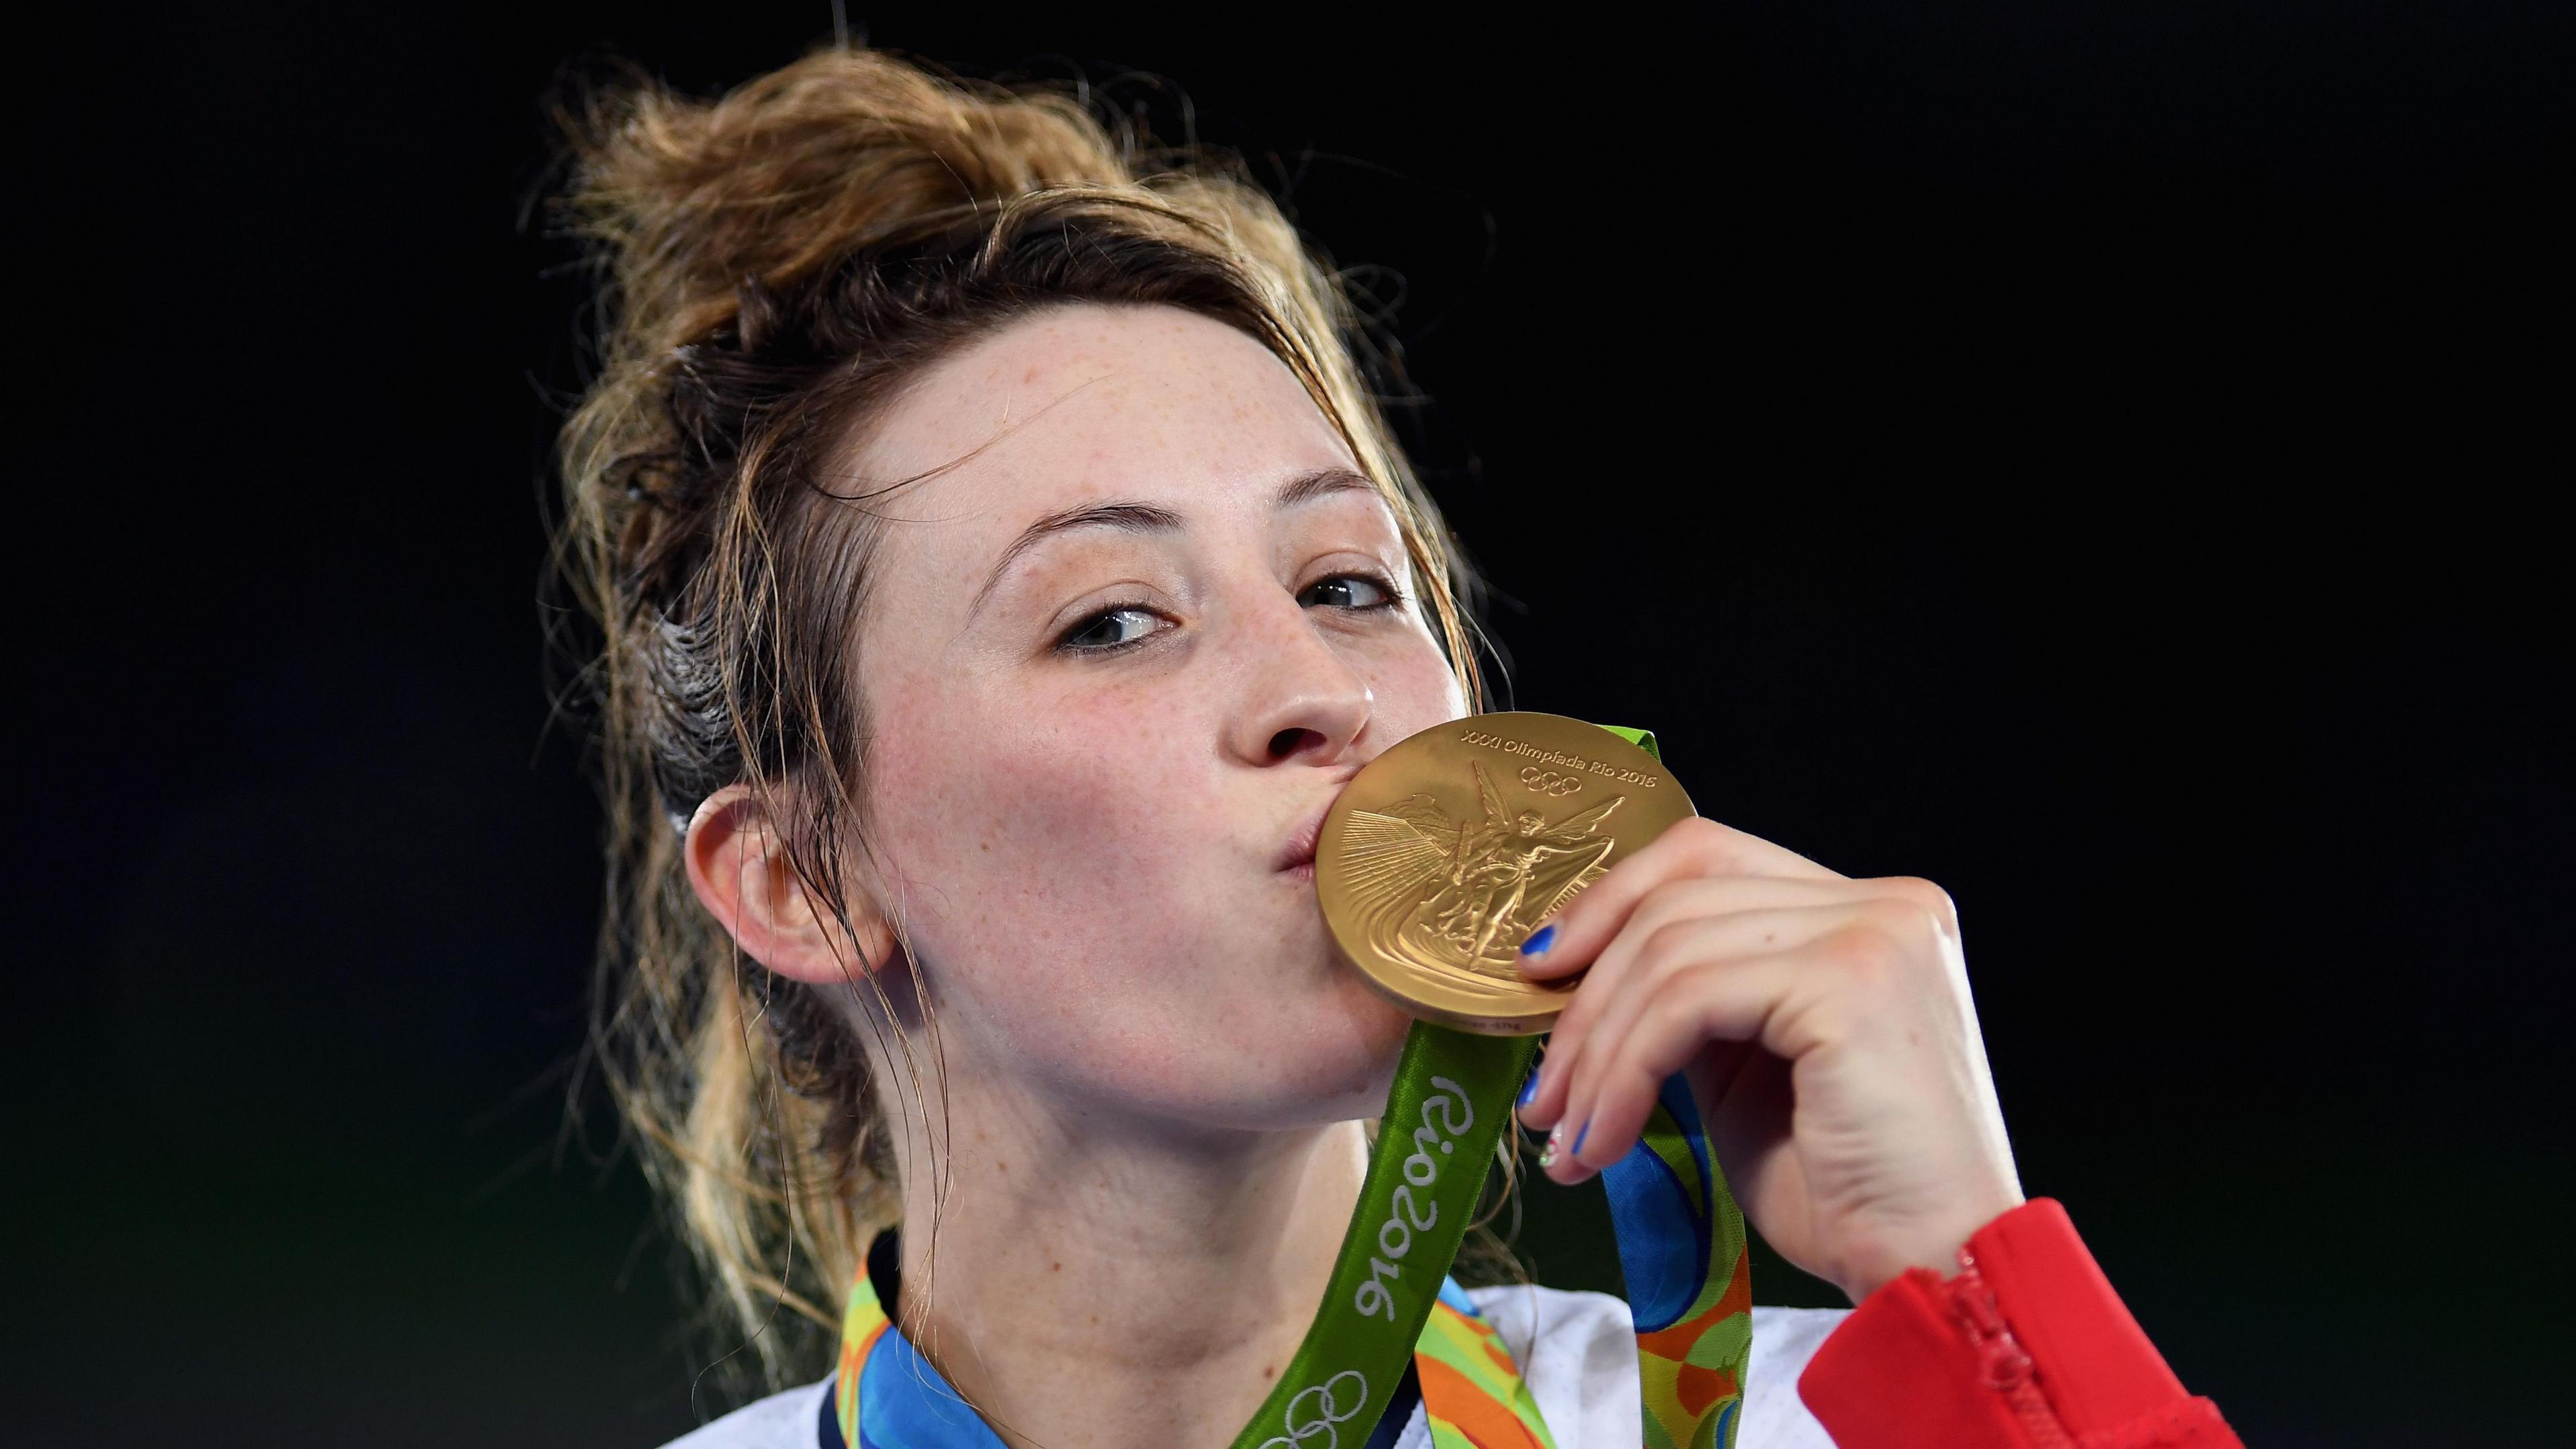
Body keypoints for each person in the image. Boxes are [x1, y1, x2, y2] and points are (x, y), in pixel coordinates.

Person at [548, 44, 2241, 1448]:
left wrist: (1972, 1280)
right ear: (805, 879)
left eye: (1349, 582)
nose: (1322, 689)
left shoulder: (1871, 1418)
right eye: (1115, 617)